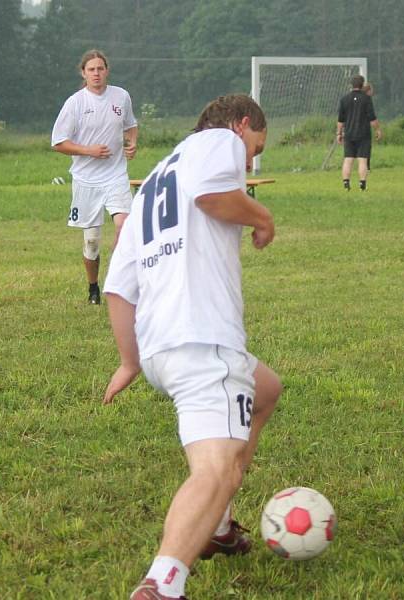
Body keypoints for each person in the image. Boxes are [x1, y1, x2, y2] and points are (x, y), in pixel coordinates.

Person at [101, 95, 283, 600]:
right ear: (243, 126)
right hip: (203, 340)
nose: (249, 163)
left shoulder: (160, 172)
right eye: (256, 148)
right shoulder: (219, 142)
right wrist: (263, 217)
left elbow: (119, 284)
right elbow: (212, 194)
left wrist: (129, 361)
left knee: (265, 389)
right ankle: (162, 583)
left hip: (161, 347)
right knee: (217, 467)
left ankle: (218, 525)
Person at [52, 49, 138, 305]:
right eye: (91, 69)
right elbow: (58, 143)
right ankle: (93, 287)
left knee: (125, 225)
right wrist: (88, 151)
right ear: (84, 73)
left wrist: (131, 143)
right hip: (86, 180)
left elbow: (131, 125)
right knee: (92, 242)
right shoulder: (75, 103)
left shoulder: (121, 96)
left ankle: (118, 281)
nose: (97, 73)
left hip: (116, 175)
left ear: (107, 70)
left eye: (100, 68)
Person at [336, 75, 382, 191]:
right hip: (363, 134)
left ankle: (346, 183)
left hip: (349, 133)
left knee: (348, 159)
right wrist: (378, 130)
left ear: (352, 85)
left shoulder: (344, 99)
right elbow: (372, 118)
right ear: (362, 85)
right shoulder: (366, 99)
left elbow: (340, 120)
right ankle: (362, 183)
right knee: (362, 159)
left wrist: (339, 133)